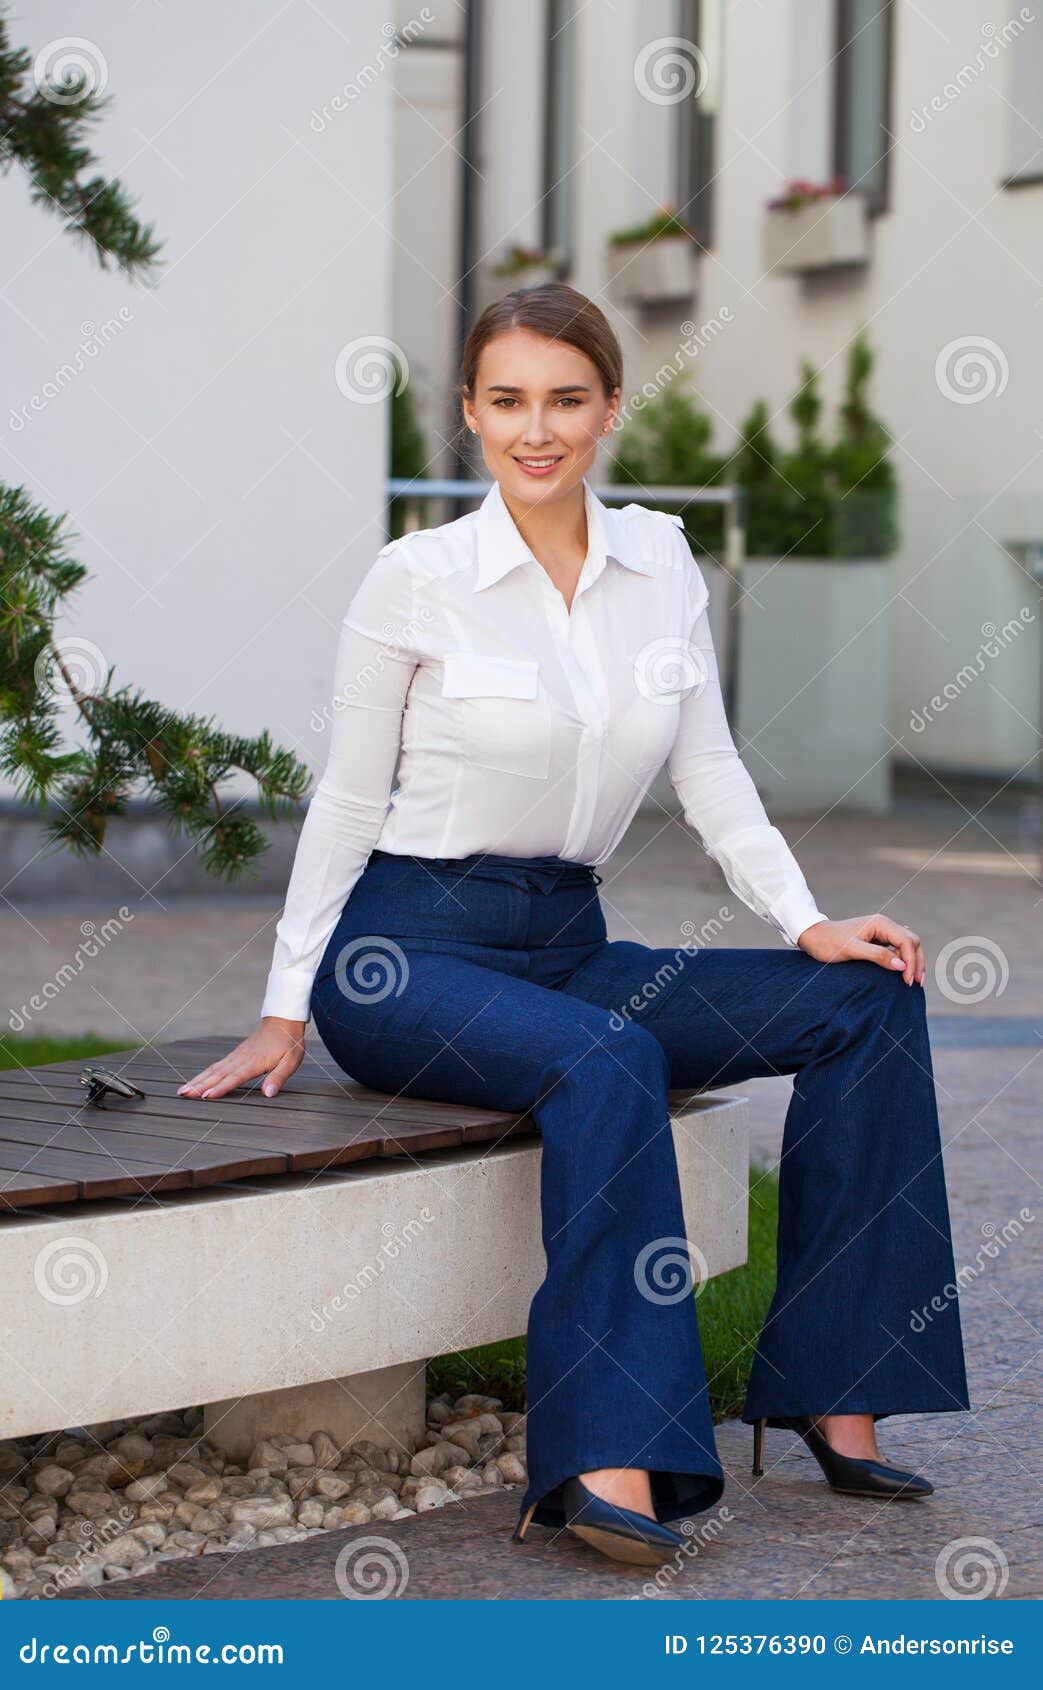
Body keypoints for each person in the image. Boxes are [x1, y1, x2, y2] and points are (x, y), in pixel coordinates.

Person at [178, 283, 969, 1569]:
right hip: (403, 956)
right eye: (505, 401)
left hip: (567, 942)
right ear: (469, 415)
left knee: (868, 997)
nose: (533, 429)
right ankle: (607, 1458)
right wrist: (284, 1001)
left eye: (562, 399)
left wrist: (808, 919)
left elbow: (707, 768)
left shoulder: (658, 561)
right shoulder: (415, 580)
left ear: (608, 407)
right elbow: (347, 798)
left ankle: (840, 1386)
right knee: (608, 1056)